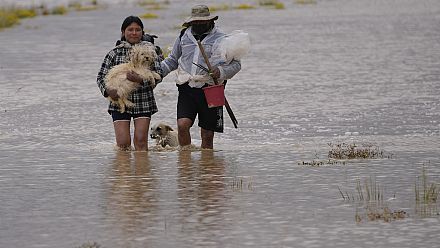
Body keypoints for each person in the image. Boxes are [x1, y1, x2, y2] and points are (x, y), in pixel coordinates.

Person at [161, 5, 241, 149]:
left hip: (211, 88)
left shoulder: (222, 38)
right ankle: (185, 160)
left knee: (208, 134)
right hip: (187, 86)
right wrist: (156, 74)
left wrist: (220, 71)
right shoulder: (184, 36)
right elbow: (172, 60)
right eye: (195, 22)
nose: (198, 25)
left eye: (201, 22)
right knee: (182, 125)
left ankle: (206, 166)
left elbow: (236, 65)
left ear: (210, 21)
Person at [97, 16, 163, 151]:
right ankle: (125, 171)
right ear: (123, 32)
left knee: (141, 142)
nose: (134, 33)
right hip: (119, 102)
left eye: (138, 30)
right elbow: (101, 76)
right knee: (123, 144)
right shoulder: (114, 53)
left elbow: (158, 75)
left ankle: (142, 171)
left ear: (142, 33)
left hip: (144, 101)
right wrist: (108, 91)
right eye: (130, 29)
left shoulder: (150, 51)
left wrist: (140, 80)